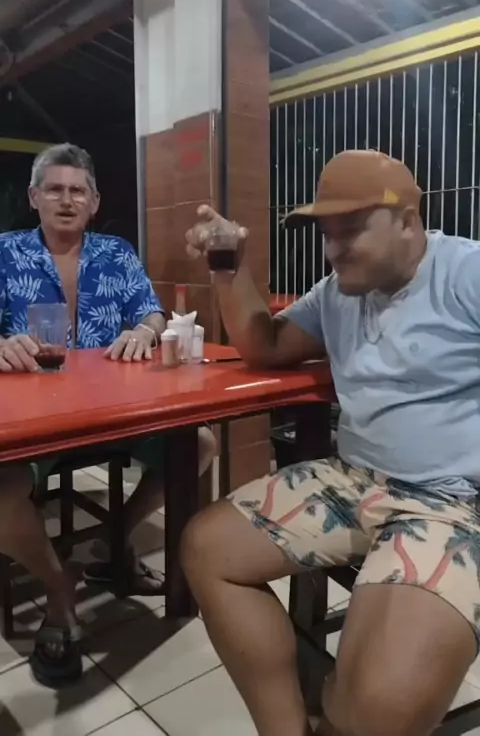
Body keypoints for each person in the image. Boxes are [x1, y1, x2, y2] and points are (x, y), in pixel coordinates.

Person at [182, 149, 480, 736]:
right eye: (326, 233)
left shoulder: (465, 273)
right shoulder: (338, 291)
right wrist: (227, 267)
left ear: (408, 221)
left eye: (351, 230)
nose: (333, 249)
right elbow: (265, 345)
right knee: (207, 548)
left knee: (378, 707)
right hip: (354, 479)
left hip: (453, 502)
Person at [0, 143, 216, 689]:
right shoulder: (5, 252)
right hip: (36, 421)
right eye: (54, 189)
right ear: (34, 197)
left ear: (94, 202)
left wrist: (145, 329)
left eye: (78, 191)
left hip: (113, 416)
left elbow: (151, 310)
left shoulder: (116, 252)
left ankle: (116, 537)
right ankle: (58, 588)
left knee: (201, 444)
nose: (66, 200)